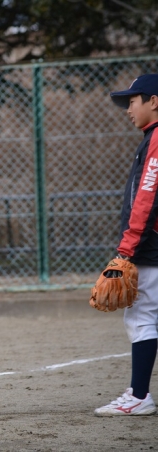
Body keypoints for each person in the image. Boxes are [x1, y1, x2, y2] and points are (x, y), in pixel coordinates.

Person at [95, 74, 158, 416]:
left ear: (154, 101)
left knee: (141, 317)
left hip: (151, 248)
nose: (128, 109)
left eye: (133, 101)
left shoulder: (157, 139)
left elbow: (146, 196)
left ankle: (139, 395)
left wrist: (127, 249)